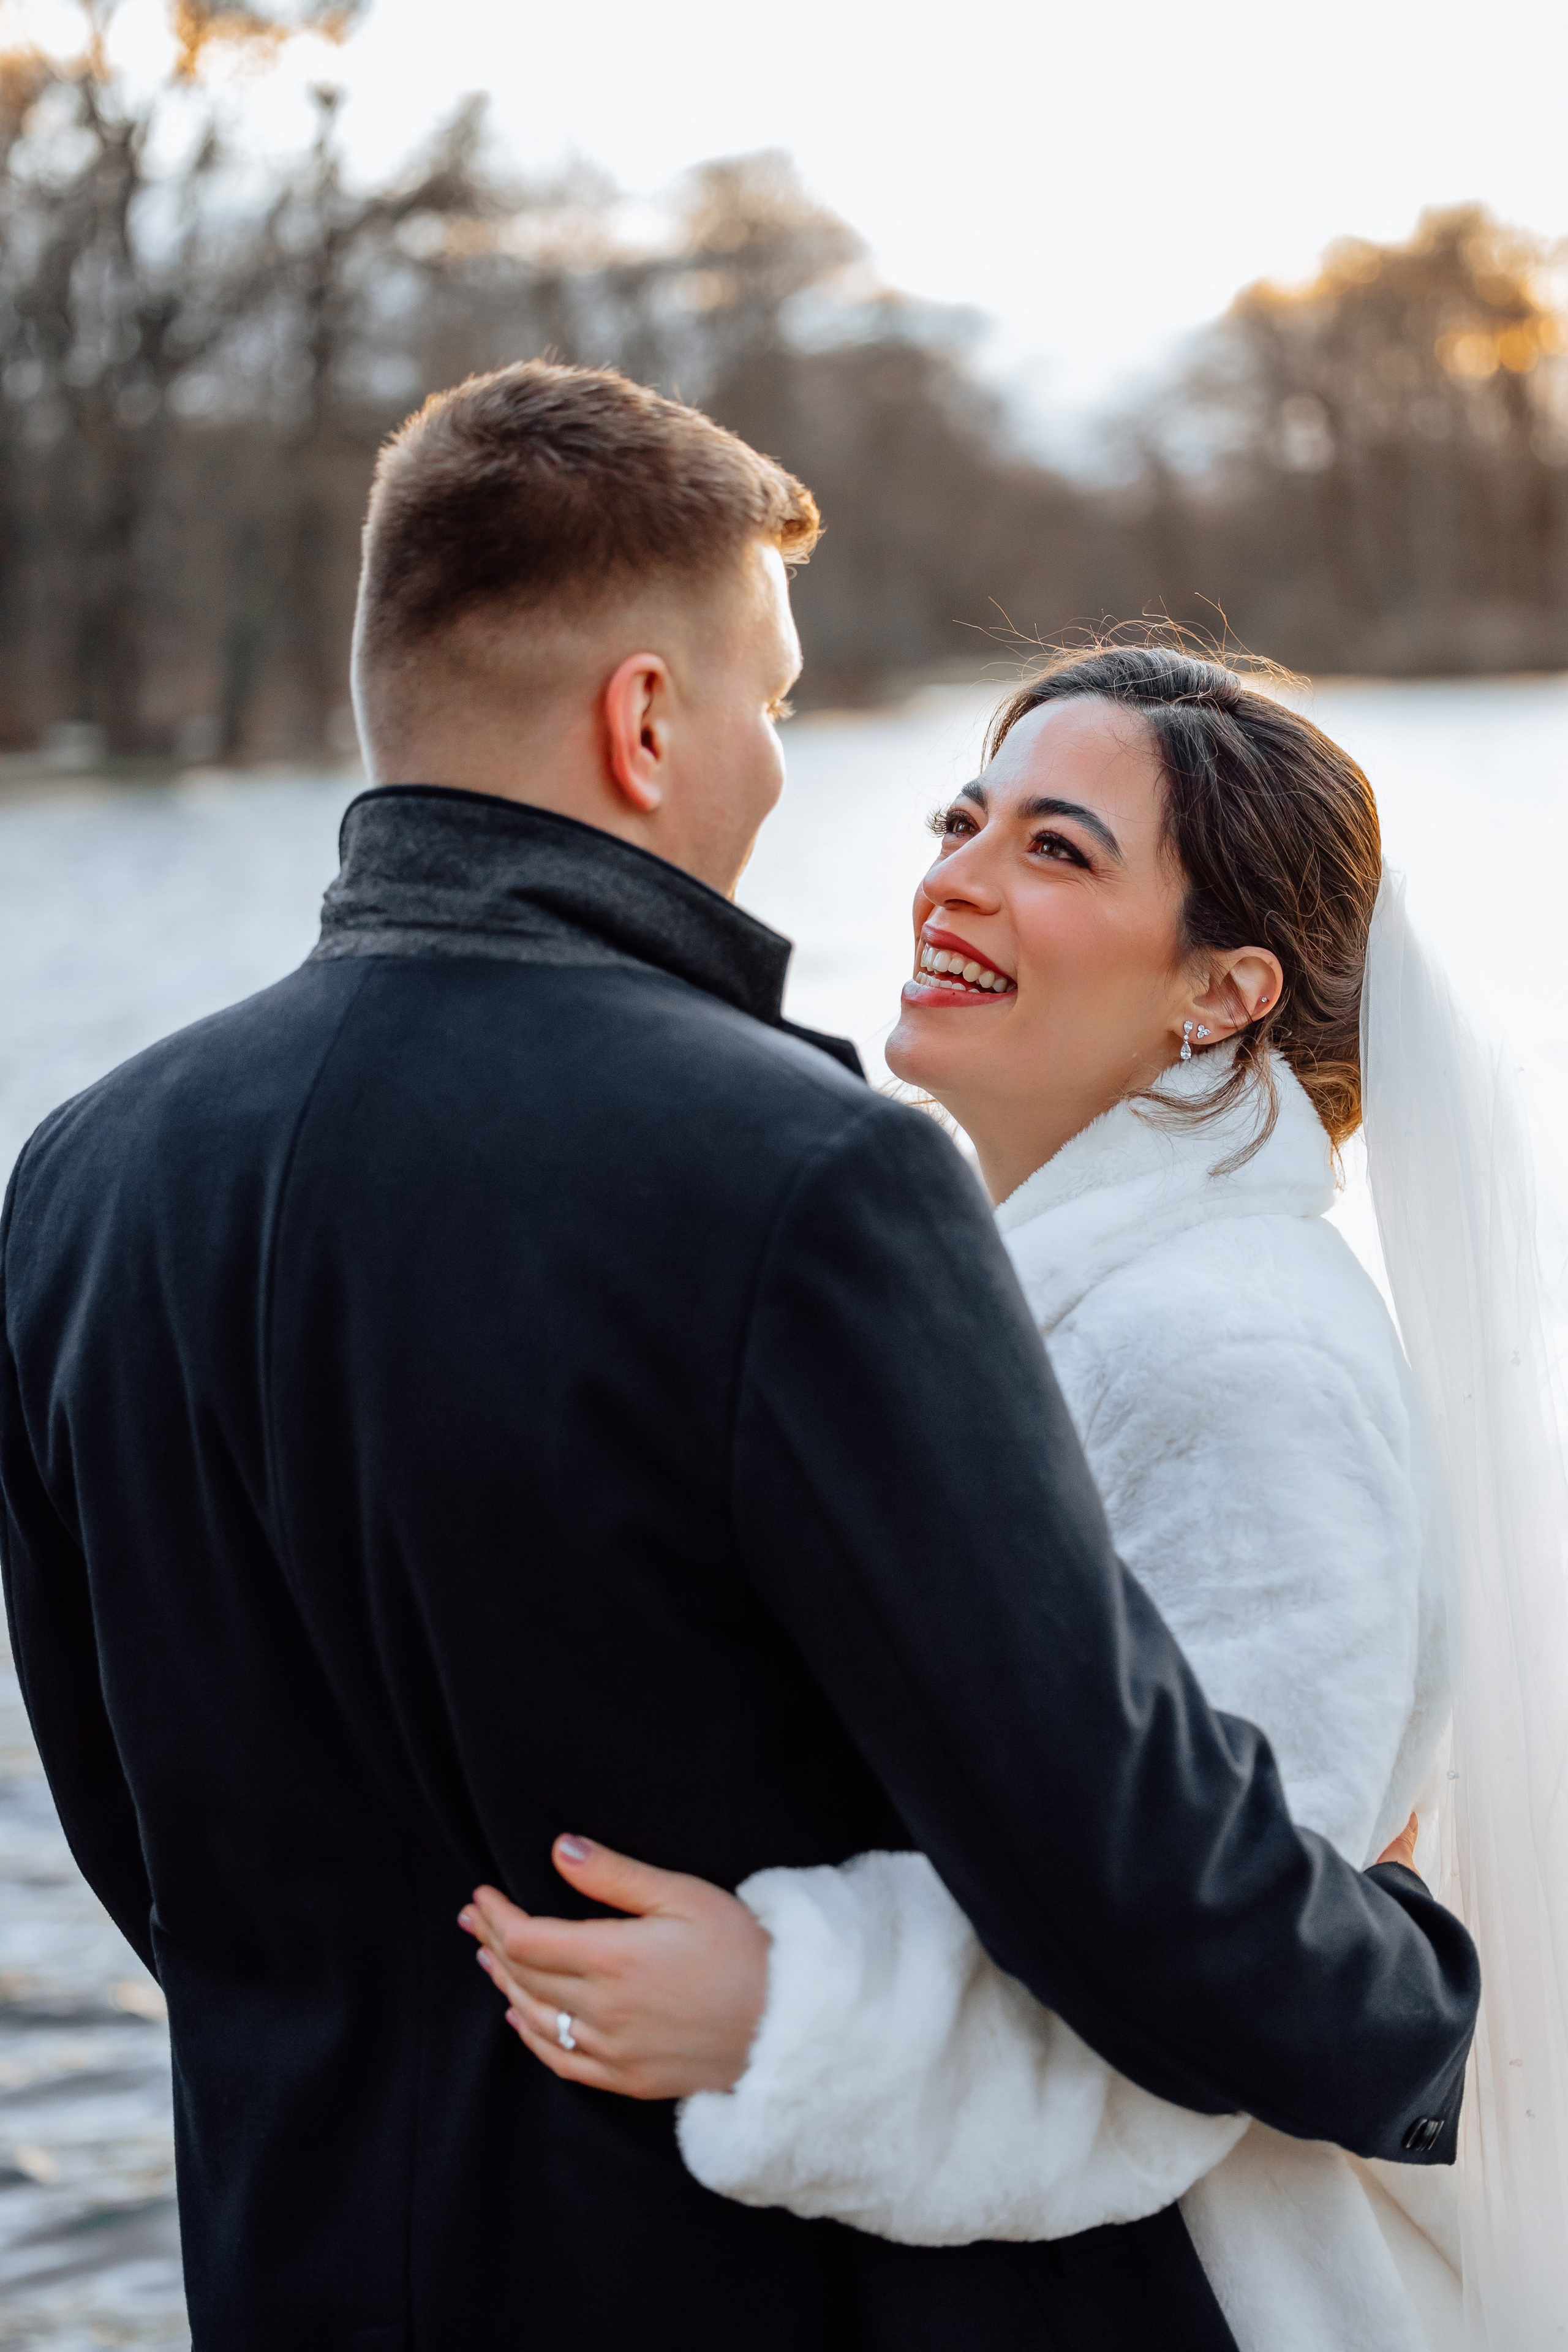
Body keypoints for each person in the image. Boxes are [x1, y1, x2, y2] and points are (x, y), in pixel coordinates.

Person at [0, 367, 1477, 2352]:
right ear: (643, 721)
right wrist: (1412, 1986)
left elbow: (140, 1845)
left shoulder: (83, 1179)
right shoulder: (804, 1172)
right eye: (774, 703)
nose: (798, 781)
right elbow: (1116, 1859)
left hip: (296, 2260)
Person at [460, 644, 1568, 2347]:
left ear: (1226, 992)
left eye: (1057, 850)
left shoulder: (1238, 1347)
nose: (953, 881)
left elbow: (1227, 1967)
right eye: (961, 820)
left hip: (1198, 2294)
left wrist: (793, 2016)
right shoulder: (1015, 1298)